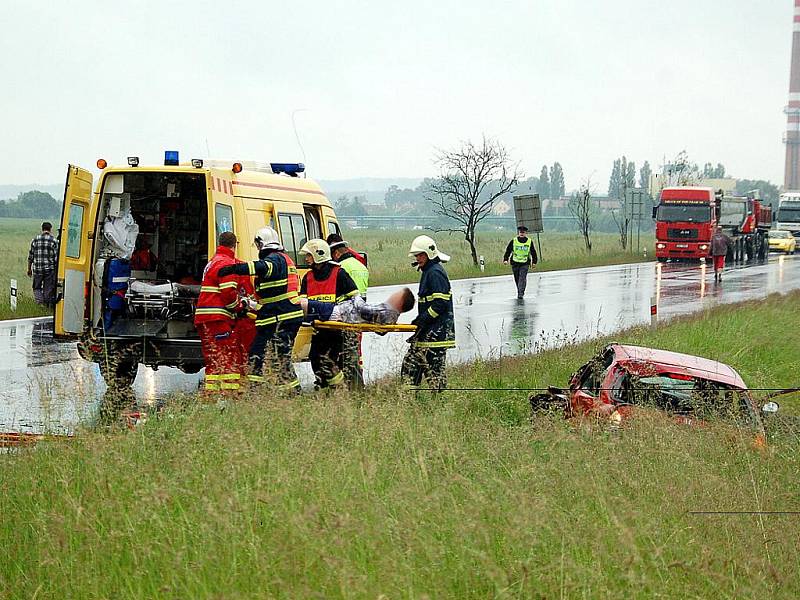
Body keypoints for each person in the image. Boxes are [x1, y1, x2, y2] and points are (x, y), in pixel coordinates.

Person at [218, 227, 304, 391]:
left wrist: (234, 269)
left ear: (261, 243)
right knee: (258, 355)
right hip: (275, 316)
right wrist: (249, 305)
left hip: (282, 318)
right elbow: (269, 297)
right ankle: (258, 390)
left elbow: (263, 267)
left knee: (279, 357)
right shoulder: (283, 259)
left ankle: (293, 393)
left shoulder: (275, 259)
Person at [298, 239, 360, 389]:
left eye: (309, 255)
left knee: (338, 361)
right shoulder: (308, 278)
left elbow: (355, 300)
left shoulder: (339, 274)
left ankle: (346, 389)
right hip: (319, 330)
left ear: (319, 255)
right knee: (316, 360)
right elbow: (303, 302)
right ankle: (330, 387)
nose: (306, 259)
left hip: (339, 331)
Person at [194, 232, 248, 393]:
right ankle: (228, 396)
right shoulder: (227, 263)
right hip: (218, 318)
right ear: (235, 245)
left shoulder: (212, 262)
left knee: (212, 358)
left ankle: (212, 394)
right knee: (228, 356)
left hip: (204, 318)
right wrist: (239, 307)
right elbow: (228, 292)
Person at [401, 235, 456, 392]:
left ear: (429, 254)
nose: (418, 258)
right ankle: (409, 400)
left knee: (434, 375)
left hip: (435, 336)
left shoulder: (435, 273)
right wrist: (419, 323)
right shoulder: (428, 271)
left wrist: (421, 320)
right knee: (410, 368)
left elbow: (440, 304)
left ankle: (438, 404)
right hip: (426, 334)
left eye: (420, 255)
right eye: (416, 255)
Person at [327, 233, 370, 385]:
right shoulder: (360, 266)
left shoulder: (340, 268)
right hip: (359, 314)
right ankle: (358, 383)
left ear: (337, 253)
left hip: (343, 316)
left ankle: (351, 386)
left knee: (343, 352)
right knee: (355, 352)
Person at [301, 287, 415, 325]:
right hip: (338, 311)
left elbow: (364, 310)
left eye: (397, 295)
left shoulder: (388, 313)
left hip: (337, 313)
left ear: (400, 302)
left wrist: (356, 296)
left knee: (302, 304)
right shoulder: (389, 314)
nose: (393, 295)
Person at [27, 221, 58, 307]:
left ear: (42, 229)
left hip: (37, 269)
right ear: (50, 229)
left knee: (36, 287)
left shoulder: (35, 240)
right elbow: (56, 258)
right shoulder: (54, 241)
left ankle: (40, 303)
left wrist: (29, 269)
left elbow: (31, 256)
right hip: (49, 270)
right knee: (48, 288)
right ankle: (47, 303)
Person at [503, 225, 538, 299]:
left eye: (523, 232)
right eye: (520, 232)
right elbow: (508, 250)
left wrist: (534, 262)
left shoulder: (529, 241)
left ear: (525, 233)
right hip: (515, 262)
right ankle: (520, 290)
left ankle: (520, 293)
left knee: (522, 278)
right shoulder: (514, 241)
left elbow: (533, 252)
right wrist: (505, 259)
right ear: (518, 233)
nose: (522, 233)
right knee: (517, 278)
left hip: (525, 263)